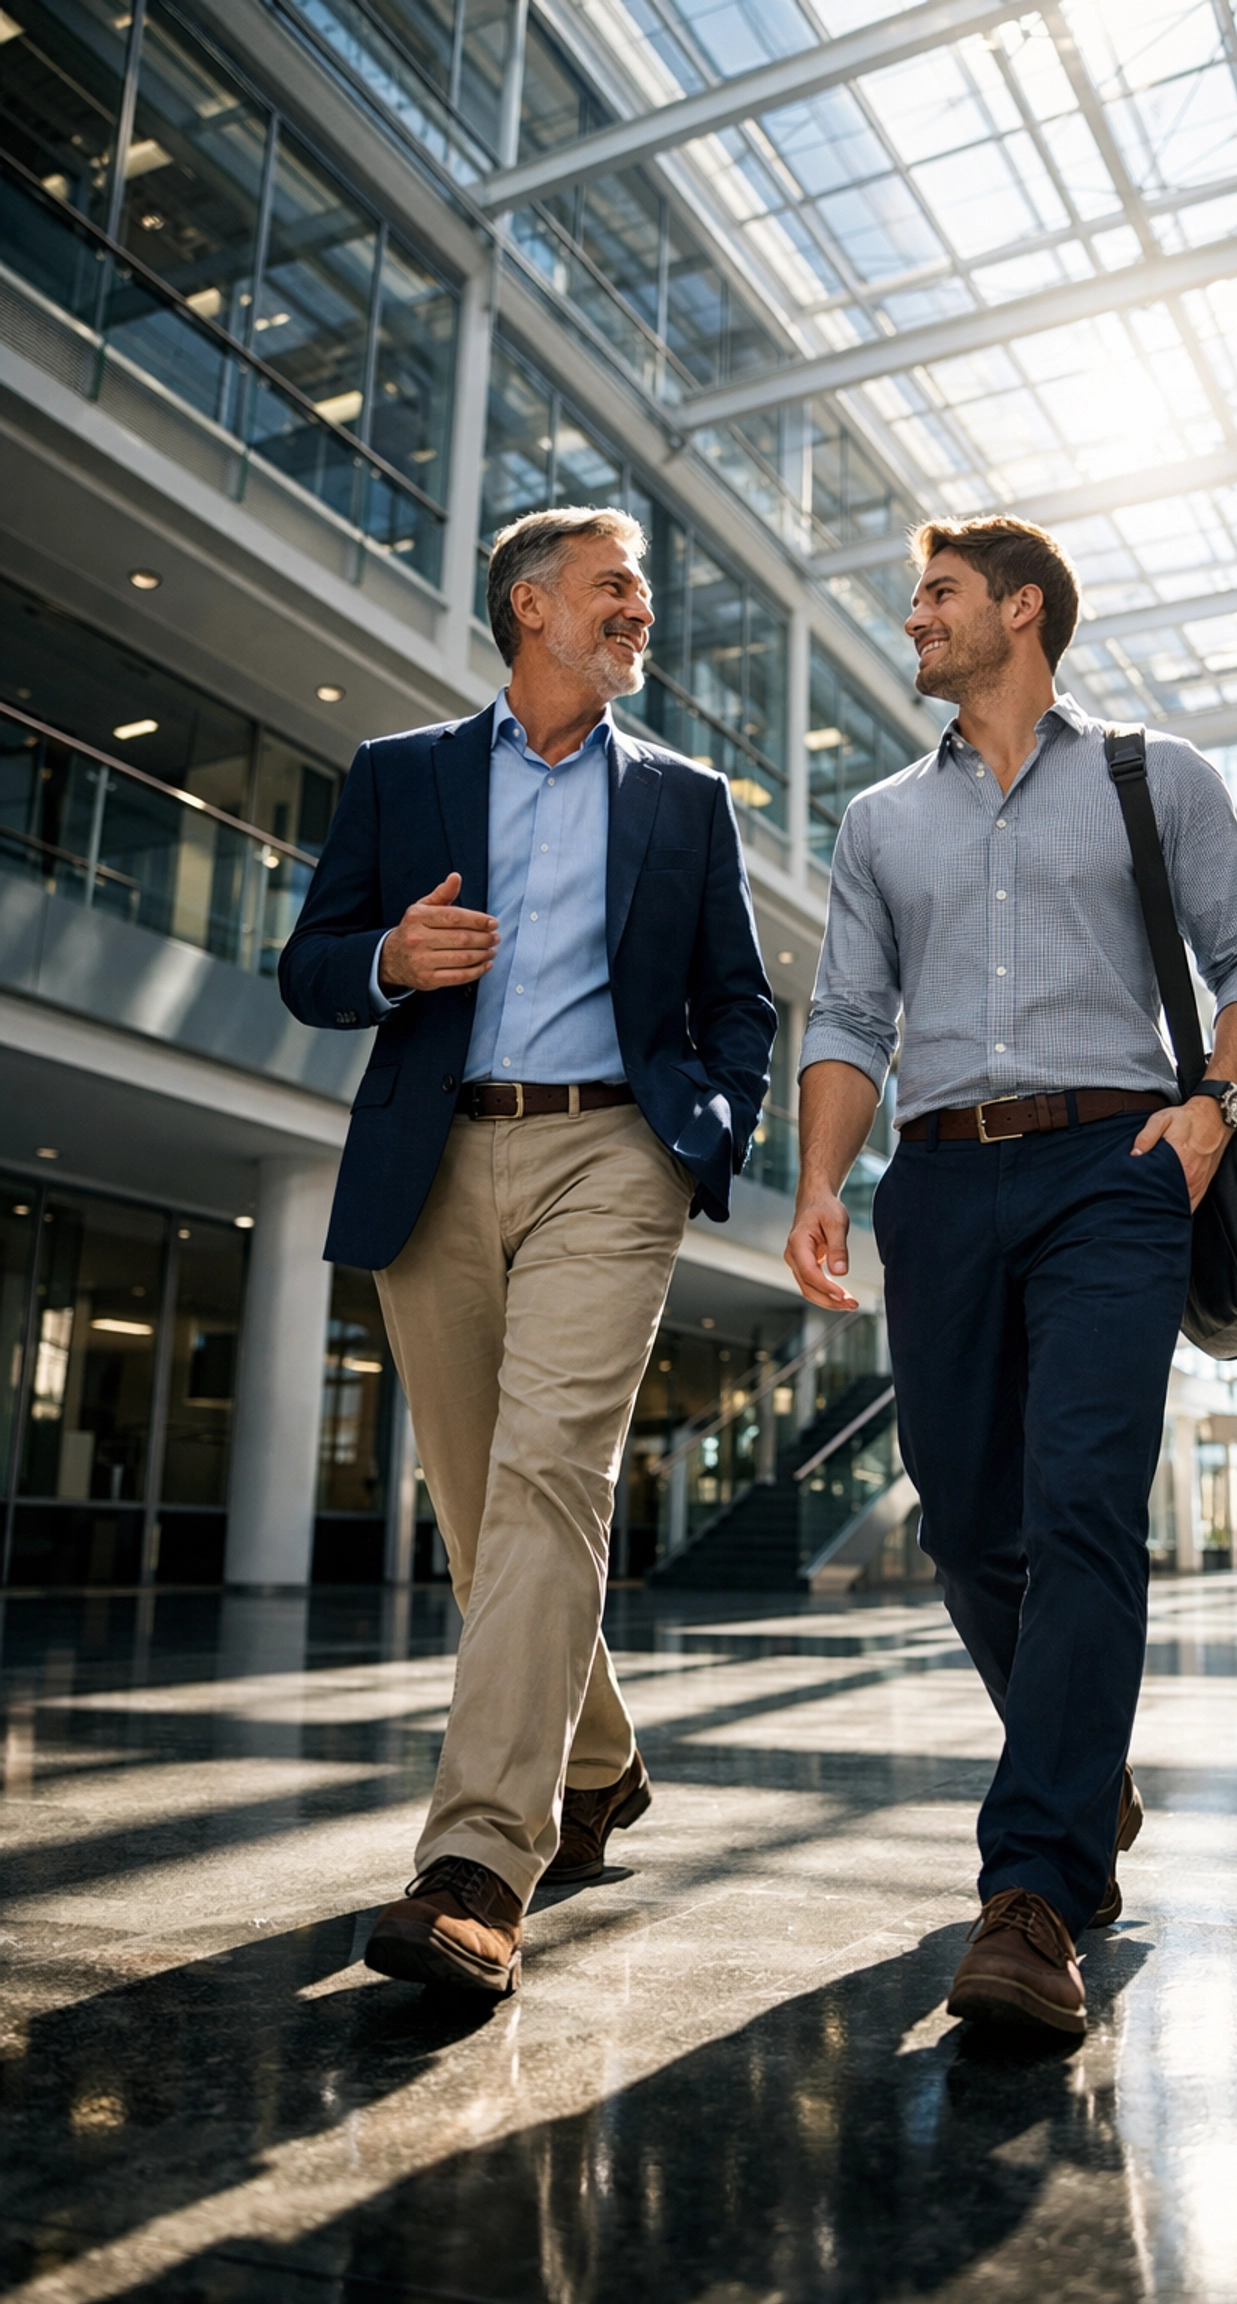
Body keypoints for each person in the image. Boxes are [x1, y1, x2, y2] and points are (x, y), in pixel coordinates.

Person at [784, 515, 1237, 2040]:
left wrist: (1212, 1108)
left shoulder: (1156, 776)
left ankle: (1034, 1892)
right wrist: (821, 1178)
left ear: (1024, 609)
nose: (915, 621)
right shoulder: (882, 819)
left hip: (1115, 1171)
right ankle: (1081, 1764)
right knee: (963, 1524)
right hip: (938, 1178)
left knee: (1081, 1501)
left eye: (937, 596)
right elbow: (845, 1014)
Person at [280, 506, 775, 1997]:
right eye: (614, 586)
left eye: (638, 590)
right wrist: (386, 961)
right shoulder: (402, 774)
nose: (638, 609)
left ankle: (482, 1860)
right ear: (530, 606)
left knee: (553, 1479)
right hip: (435, 1158)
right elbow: (310, 965)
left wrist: (703, 1133)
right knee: (486, 1519)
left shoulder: (684, 799)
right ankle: (606, 1763)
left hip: (611, 1155)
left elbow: (738, 1002)